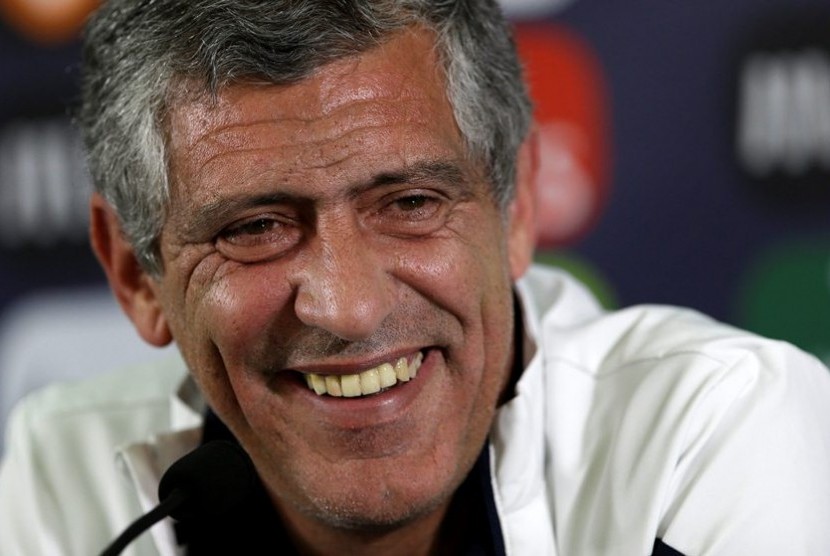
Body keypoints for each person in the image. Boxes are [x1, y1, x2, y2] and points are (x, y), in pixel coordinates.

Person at [1, 1, 829, 554]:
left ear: (514, 207)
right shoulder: (64, 477)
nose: (351, 306)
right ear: (133, 272)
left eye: (409, 201)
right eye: (255, 228)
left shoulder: (712, 436)